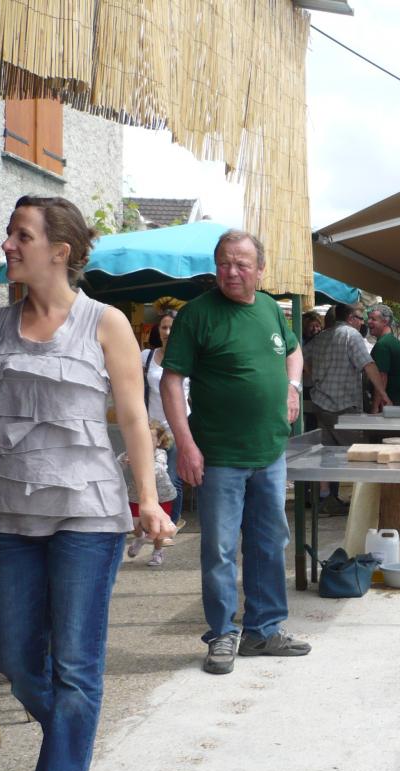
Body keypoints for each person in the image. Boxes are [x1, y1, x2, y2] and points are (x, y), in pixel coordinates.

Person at [0, 195, 173, 771]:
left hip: (88, 510)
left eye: (20, 234)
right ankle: (72, 742)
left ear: (60, 250)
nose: (7, 244)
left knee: (76, 662)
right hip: (10, 506)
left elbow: (135, 418)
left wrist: (146, 498)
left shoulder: (106, 323)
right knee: (15, 653)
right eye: (9, 233)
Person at [161, 229, 311, 676]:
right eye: (225, 262)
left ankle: (263, 630)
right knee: (221, 549)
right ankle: (222, 633)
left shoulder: (267, 307)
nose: (232, 271)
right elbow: (172, 383)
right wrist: (186, 445)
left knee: (269, 544)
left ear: (260, 270)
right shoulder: (196, 316)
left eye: (242, 264)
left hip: (269, 451)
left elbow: (294, 350)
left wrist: (292, 386)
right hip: (219, 455)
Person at [302, 302, 390, 514]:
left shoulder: (321, 336)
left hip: (321, 404)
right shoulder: (352, 335)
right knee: (360, 457)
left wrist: (314, 376)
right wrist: (383, 393)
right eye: (360, 318)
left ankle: (326, 499)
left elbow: (301, 358)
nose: (363, 322)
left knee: (326, 456)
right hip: (344, 408)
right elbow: (367, 365)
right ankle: (364, 508)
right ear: (350, 318)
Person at [143, 309, 186, 522]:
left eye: (172, 327)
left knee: (172, 478)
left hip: (180, 425)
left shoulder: (189, 356)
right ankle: (155, 521)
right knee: (151, 476)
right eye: (164, 327)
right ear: (158, 330)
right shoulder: (146, 356)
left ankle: (172, 522)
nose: (168, 332)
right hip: (153, 428)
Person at [122, 421, 179, 566]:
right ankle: (140, 537)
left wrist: (139, 463)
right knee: (133, 524)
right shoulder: (132, 451)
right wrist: (124, 460)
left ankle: (157, 552)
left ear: (159, 441)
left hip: (162, 495)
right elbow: (119, 462)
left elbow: (160, 469)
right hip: (136, 495)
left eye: (151, 438)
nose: (146, 442)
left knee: (158, 528)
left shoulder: (160, 453)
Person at [367, 303, 400, 410]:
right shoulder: (396, 342)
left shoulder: (382, 345)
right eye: (369, 318)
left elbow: (382, 376)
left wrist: (375, 407)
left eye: (373, 319)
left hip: (388, 404)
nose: (368, 322)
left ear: (385, 322)